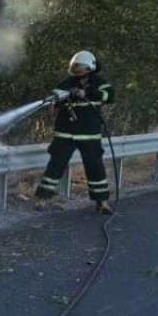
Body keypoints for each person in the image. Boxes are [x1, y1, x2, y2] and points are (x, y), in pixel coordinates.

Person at [35, 50, 115, 214]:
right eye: (75, 69)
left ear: (89, 68)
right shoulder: (67, 83)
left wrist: (86, 93)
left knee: (95, 167)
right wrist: (52, 102)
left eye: (80, 69)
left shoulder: (99, 82)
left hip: (89, 133)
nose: (77, 73)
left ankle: (102, 202)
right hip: (65, 133)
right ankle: (42, 199)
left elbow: (109, 96)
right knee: (55, 166)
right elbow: (55, 97)